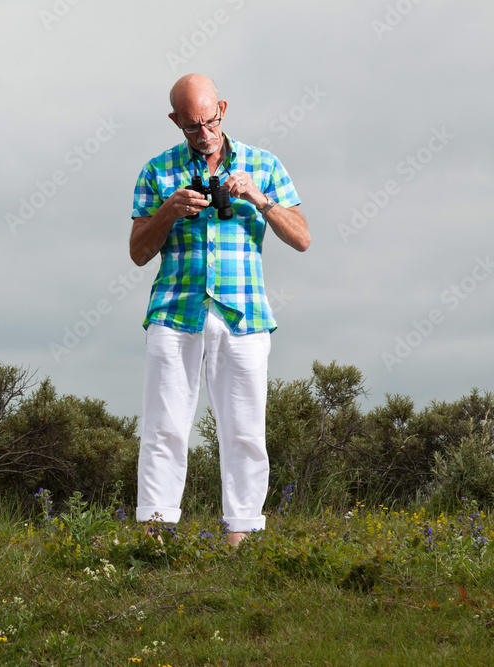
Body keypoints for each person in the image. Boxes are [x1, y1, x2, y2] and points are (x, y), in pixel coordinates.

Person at [128, 73, 310, 547]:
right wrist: (169, 210)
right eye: (191, 127)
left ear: (223, 109)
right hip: (174, 311)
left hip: (243, 315)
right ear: (175, 121)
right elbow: (138, 252)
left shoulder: (264, 165)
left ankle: (241, 537)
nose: (203, 134)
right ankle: (154, 535)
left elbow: (303, 238)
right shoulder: (157, 170)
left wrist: (258, 197)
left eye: (209, 122)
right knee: (164, 425)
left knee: (246, 431)